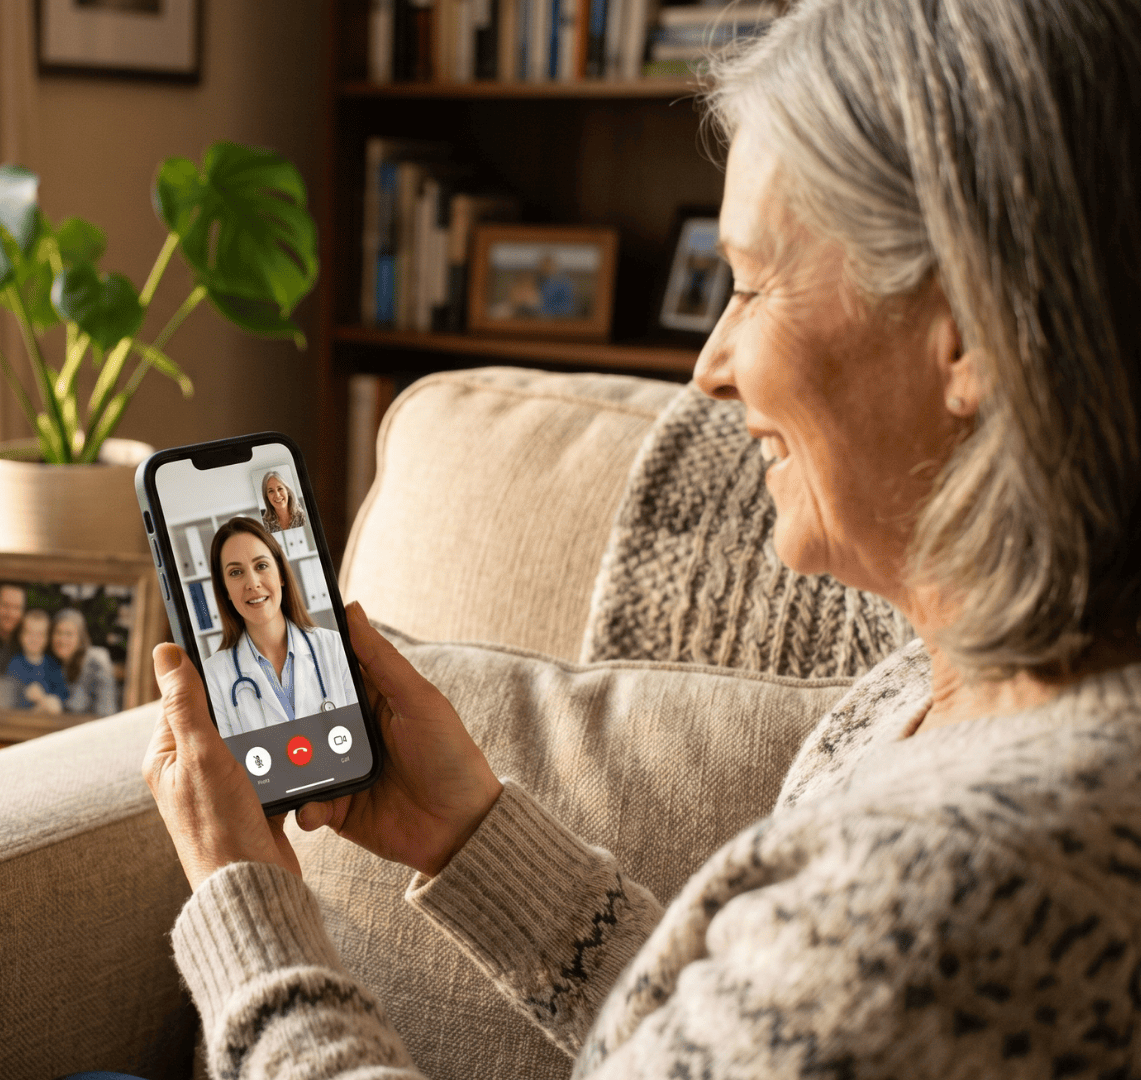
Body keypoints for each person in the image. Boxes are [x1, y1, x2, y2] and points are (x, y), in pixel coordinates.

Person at [140, 1, 1141, 1076]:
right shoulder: (938, 693)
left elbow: (844, 978)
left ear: (974, 330)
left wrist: (249, 918)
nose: (711, 367)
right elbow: (741, 1040)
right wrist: (471, 836)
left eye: (752, 284)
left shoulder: (957, 877)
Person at [198, 517, 356, 737]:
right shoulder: (212, 675)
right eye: (235, 572)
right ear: (225, 590)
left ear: (281, 574)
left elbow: (360, 735)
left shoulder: (334, 645)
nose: (252, 583)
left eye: (261, 566)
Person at [53, 608, 118, 716]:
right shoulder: (54, 665)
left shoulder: (96, 660)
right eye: (58, 632)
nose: (62, 639)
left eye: (69, 634)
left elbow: (106, 709)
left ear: (80, 638)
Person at [6, 609, 70, 711]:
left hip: (51, 716)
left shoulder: (53, 665)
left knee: (54, 703)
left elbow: (62, 696)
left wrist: (44, 699)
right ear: (21, 636)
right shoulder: (15, 665)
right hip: (23, 715)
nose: (34, 639)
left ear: (47, 639)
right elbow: (11, 698)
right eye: (29, 633)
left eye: (40, 634)